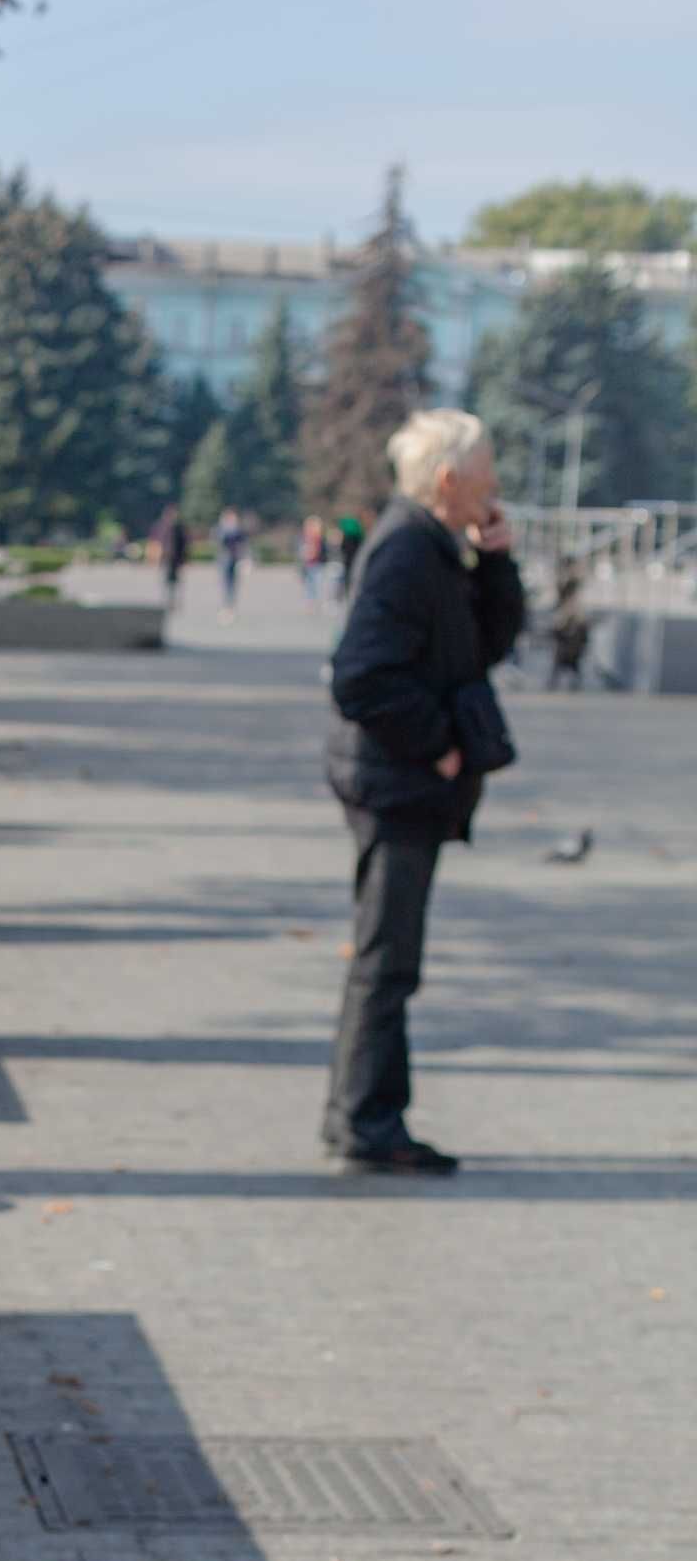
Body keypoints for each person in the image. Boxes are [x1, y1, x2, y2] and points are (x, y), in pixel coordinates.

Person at [321, 407, 525, 1175]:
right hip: (394, 782)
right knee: (385, 960)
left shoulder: (438, 546)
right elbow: (361, 676)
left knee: (389, 957)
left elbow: (486, 645)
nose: (496, 489)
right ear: (448, 480)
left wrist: (497, 562)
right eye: (487, 476)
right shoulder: (408, 548)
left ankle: (369, 1117)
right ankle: (366, 1124)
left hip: (402, 783)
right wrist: (437, 743)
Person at [547, 560, 591, 689]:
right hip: (566, 623)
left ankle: (568, 681)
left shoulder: (574, 585)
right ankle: (556, 680)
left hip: (572, 624)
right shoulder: (565, 585)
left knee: (571, 658)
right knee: (561, 656)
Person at [152, 504, 189, 610]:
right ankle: (166, 602)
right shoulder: (161, 526)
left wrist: (184, 560)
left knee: (176, 583)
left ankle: (174, 602)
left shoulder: (180, 528)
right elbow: (157, 542)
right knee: (166, 582)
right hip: (166, 559)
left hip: (176, 560)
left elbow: (184, 544)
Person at [215, 507, 247, 613]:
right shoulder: (223, 529)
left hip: (234, 559)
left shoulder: (238, 530)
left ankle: (231, 604)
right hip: (225, 559)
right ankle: (226, 605)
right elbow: (220, 541)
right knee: (226, 583)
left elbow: (243, 544)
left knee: (233, 583)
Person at [335, 512, 366, 602]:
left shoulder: (346, 538)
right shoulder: (358, 536)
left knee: (347, 579)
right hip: (356, 561)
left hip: (347, 561)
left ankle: (346, 594)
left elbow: (342, 549)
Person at [297, 514, 326, 601]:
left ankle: (316, 600)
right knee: (310, 583)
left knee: (316, 583)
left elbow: (321, 551)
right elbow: (301, 551)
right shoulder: (305, 539)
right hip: (308, 563)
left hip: (317, 563)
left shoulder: (319, 539)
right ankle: (312, 600)